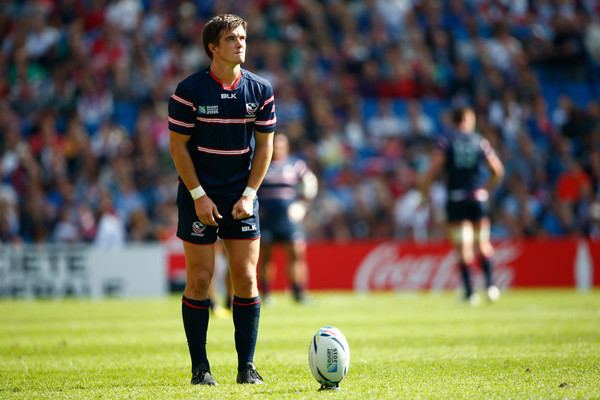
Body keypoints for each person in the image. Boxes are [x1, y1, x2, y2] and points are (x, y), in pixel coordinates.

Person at [168, 14, 276, 386]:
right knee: (200, 279)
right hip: (199, 191)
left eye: (243, 37)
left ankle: (247, 368)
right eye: (232, 38)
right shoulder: (189, 90)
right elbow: (178, 148)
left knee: (246, 278)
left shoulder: (261, 90)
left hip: (240, 195)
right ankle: (200, 369)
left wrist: (249, 194)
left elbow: (265, 148)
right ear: (213, 47)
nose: (240, 43)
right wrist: (198, 196)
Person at [420, 106, 504, 305]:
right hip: (477, 198)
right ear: (467, 119)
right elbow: (498, 171)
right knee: (483, 242)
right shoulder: (480, 141)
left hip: (456, 198)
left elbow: (433, 170)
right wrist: (487, 189)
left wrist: (424, 192)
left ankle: (469, 293)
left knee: (463, 246)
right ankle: (491, 286)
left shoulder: (446, 141)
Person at [257, 133, 318, 304]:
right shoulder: (262, 162)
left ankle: (298, 293)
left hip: (288, 219)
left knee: (296, 254)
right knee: (266, 257)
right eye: (275, 143)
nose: (277, 147)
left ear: (287, 146)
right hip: (266, 218)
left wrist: (303, 206)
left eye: (281, 144)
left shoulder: (295, 164)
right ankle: (266, 294)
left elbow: (311, 183)